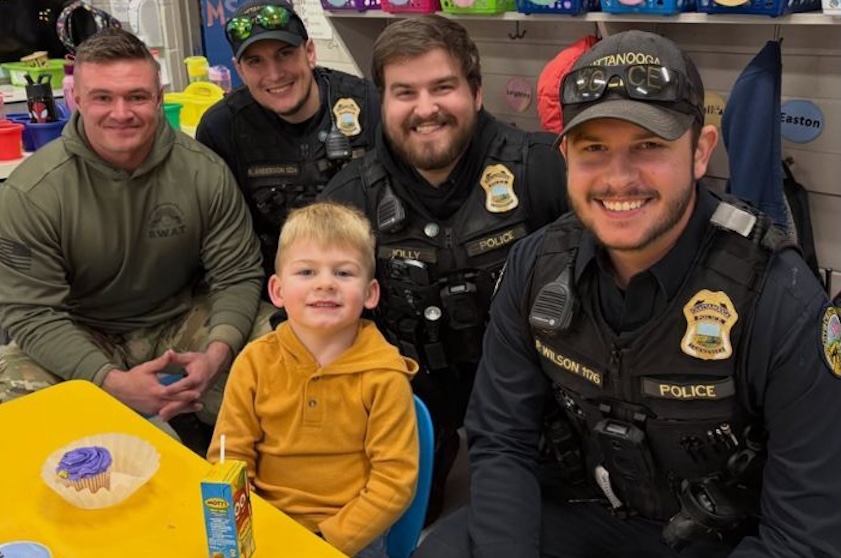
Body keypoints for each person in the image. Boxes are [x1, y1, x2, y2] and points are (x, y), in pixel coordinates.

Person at [415, 30, 841, 558]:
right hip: (582, 510)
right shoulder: (535, 264)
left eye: (648, 146)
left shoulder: (781, 300)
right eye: (595, 147)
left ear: (700, 151)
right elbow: (502, 439)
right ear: (566, 153)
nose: (619, 179)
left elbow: (803, 539)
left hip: (717, 542)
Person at [320, 14, 569, 522]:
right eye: (404, 92)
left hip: (537, 396)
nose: (425, 109)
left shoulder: (546, 168)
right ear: (381, 103)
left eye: (443, 87)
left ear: (476, 92)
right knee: (397, 525)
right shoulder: (347, 200)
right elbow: (312, 322)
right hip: (411, 394)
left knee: (535, 525)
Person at [0, 28, 272, 435]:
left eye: (137, 96)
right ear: (76, 100)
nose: (121, 112)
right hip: (82, 329)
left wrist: (217, 354)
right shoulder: (32, 192)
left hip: (178, 318)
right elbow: (31, 313)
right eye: (103, 97)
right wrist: (111, 382)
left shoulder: (204, 171)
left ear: (160, 98)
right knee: (15, 400)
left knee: (282, 347)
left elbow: (236, 275)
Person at [207, 201, 419, 558]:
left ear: (370, 294)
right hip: (261, 524)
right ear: (277, 291)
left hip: (348, 537)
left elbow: (394, 482)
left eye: (344, 273)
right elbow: (230, 456)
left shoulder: (385, 375)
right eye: (306, 272)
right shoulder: (254, 362)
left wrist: (323, 542)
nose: (325, 284)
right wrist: (250, 524)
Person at [196, 0, 380, 284]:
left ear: (310, 52)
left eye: (284, 54)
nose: (274, 74)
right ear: (240, 70)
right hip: (272, 290)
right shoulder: (221, 129)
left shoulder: (370, 105)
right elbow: (223, 241)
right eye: (255, 61)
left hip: (366, 282)